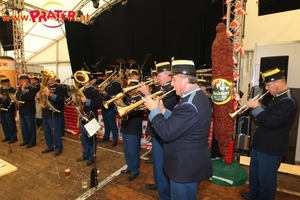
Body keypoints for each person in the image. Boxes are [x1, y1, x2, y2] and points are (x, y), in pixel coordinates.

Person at [143, 60, 212, 200]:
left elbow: (167, 133)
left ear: (185, 79)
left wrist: (155, 111)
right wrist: (163, 110)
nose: (172, 83)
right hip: (187, 163)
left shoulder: (190, 103)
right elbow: (181, 122)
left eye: (174, 79)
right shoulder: (194, 97)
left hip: (184, 168)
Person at [240, 68, 298, 200]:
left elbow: (272, 122)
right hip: (261, 144)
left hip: (271, 147)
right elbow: (270, 114)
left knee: (266, 179)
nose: (266, 88)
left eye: (268, 85)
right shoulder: (278, 97)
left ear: (278, 82)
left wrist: (256, 108)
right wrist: (260, 107)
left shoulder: (288, 100)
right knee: (255, 174)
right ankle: (254, 195)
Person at [138, 61, 179, 199]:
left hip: (164, 133)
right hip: (157, 132)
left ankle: (164, 193)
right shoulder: (160, 89)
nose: (157, 78)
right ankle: (160, 183)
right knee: (157, 164)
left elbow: (161, 109)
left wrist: (147, 93)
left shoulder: (173, 92)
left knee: (163, 164)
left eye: (159, 75)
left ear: (167, 74)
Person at [114, 79, 144, 181]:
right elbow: (120, 112)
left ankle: (135, 170)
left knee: (133, 151)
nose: (130, 91)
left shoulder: (140, 99)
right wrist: (116, 105)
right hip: (126, 127)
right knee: (127, 151)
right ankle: (129, 167)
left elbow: (135, 113)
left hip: (134, 129)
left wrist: (122, 105)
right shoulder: (127, 98)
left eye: (132, 88)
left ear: (137, 89)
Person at [75, 74, 102, 166]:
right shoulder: (81, 90)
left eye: (84, 80)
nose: (83, 82)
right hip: (82, 116)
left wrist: (87, 101)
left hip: (91, 117)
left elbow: (99, 103)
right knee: (84, 138)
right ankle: (85, 154)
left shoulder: (94, 90)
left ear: (88, 80)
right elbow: (79, 104)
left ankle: (92, 156)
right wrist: (75, 100)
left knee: (92, 139)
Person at [36, 70, 65, 156]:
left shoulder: (59, 87)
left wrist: (51, 95)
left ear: (52, 78)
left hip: (54, 112)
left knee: (55, 131)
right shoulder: (43, 86)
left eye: (48, 78)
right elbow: (41, 99)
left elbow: (62, 100)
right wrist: (38, 97)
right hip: (45, 111)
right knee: (47, 131)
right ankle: (50, 146)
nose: (45, 80)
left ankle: (59, 147)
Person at [99, 70, 122, 146]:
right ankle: (106, 136)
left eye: (109, 76)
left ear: (112, 76)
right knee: (106, 123)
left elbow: (115, 95)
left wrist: (105, 94)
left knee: (112, 123)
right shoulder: (106, 84)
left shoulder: (117, 84)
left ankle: (115, 139)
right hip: (104, 105)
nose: (107, 78)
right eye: (107, 76)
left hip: (111, 106)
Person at [17, 74, 38, 148]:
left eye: (21, 80)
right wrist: (22, 90)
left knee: (31, 126)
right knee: (23, 127)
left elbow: (29, 97)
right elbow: (18, 96)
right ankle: (26, 140)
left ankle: (32, 141)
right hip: (22, 110)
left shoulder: (32, 88)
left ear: (26, 81)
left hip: (29, 110)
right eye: (20, 80)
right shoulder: (19, 88)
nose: (20, 82)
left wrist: (23, 90)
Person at [0, 77, 18, 144]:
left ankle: (13, 137)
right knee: (4, 123)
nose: (3, 84)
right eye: (2, 83)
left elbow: (12, 99)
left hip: (9, 109)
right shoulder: (0, 89)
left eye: (4, 83)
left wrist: (4, 97)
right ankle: (7, 136)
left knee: (11, 123)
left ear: (8, 82)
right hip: (2, 109)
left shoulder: (12, 89)